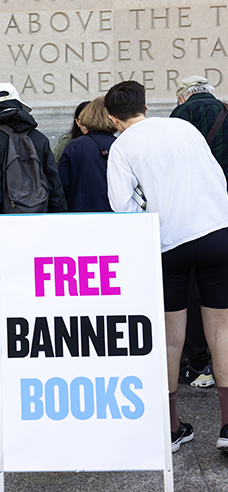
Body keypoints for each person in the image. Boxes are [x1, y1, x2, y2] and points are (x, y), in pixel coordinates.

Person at [104, 80, 228, 453]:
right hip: (214, 232)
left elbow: (120, 206)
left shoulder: (122, 146)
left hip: (166, 243)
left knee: (171, 338)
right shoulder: (184, 127)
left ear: (112, 117)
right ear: (144, 105)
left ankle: (171, 428)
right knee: (221, 331)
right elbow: (218, 177)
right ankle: (227, 426)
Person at [170, 75, 228, 389]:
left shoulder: (183, 115)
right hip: (225, 212)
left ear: (183, 97)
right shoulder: (226, 110)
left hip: (193, 215)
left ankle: (197, 363)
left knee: (193, 290)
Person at [0, 83, 67, 258]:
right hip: (40, 226)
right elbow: (55, 186)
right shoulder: (39, 138)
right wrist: (59, 228)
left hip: (5, 229)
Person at [58, 97, 116, 212]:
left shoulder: (74, 146)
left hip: (81, 214)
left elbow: (61, 186)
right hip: (116, 215)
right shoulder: (120, 145)